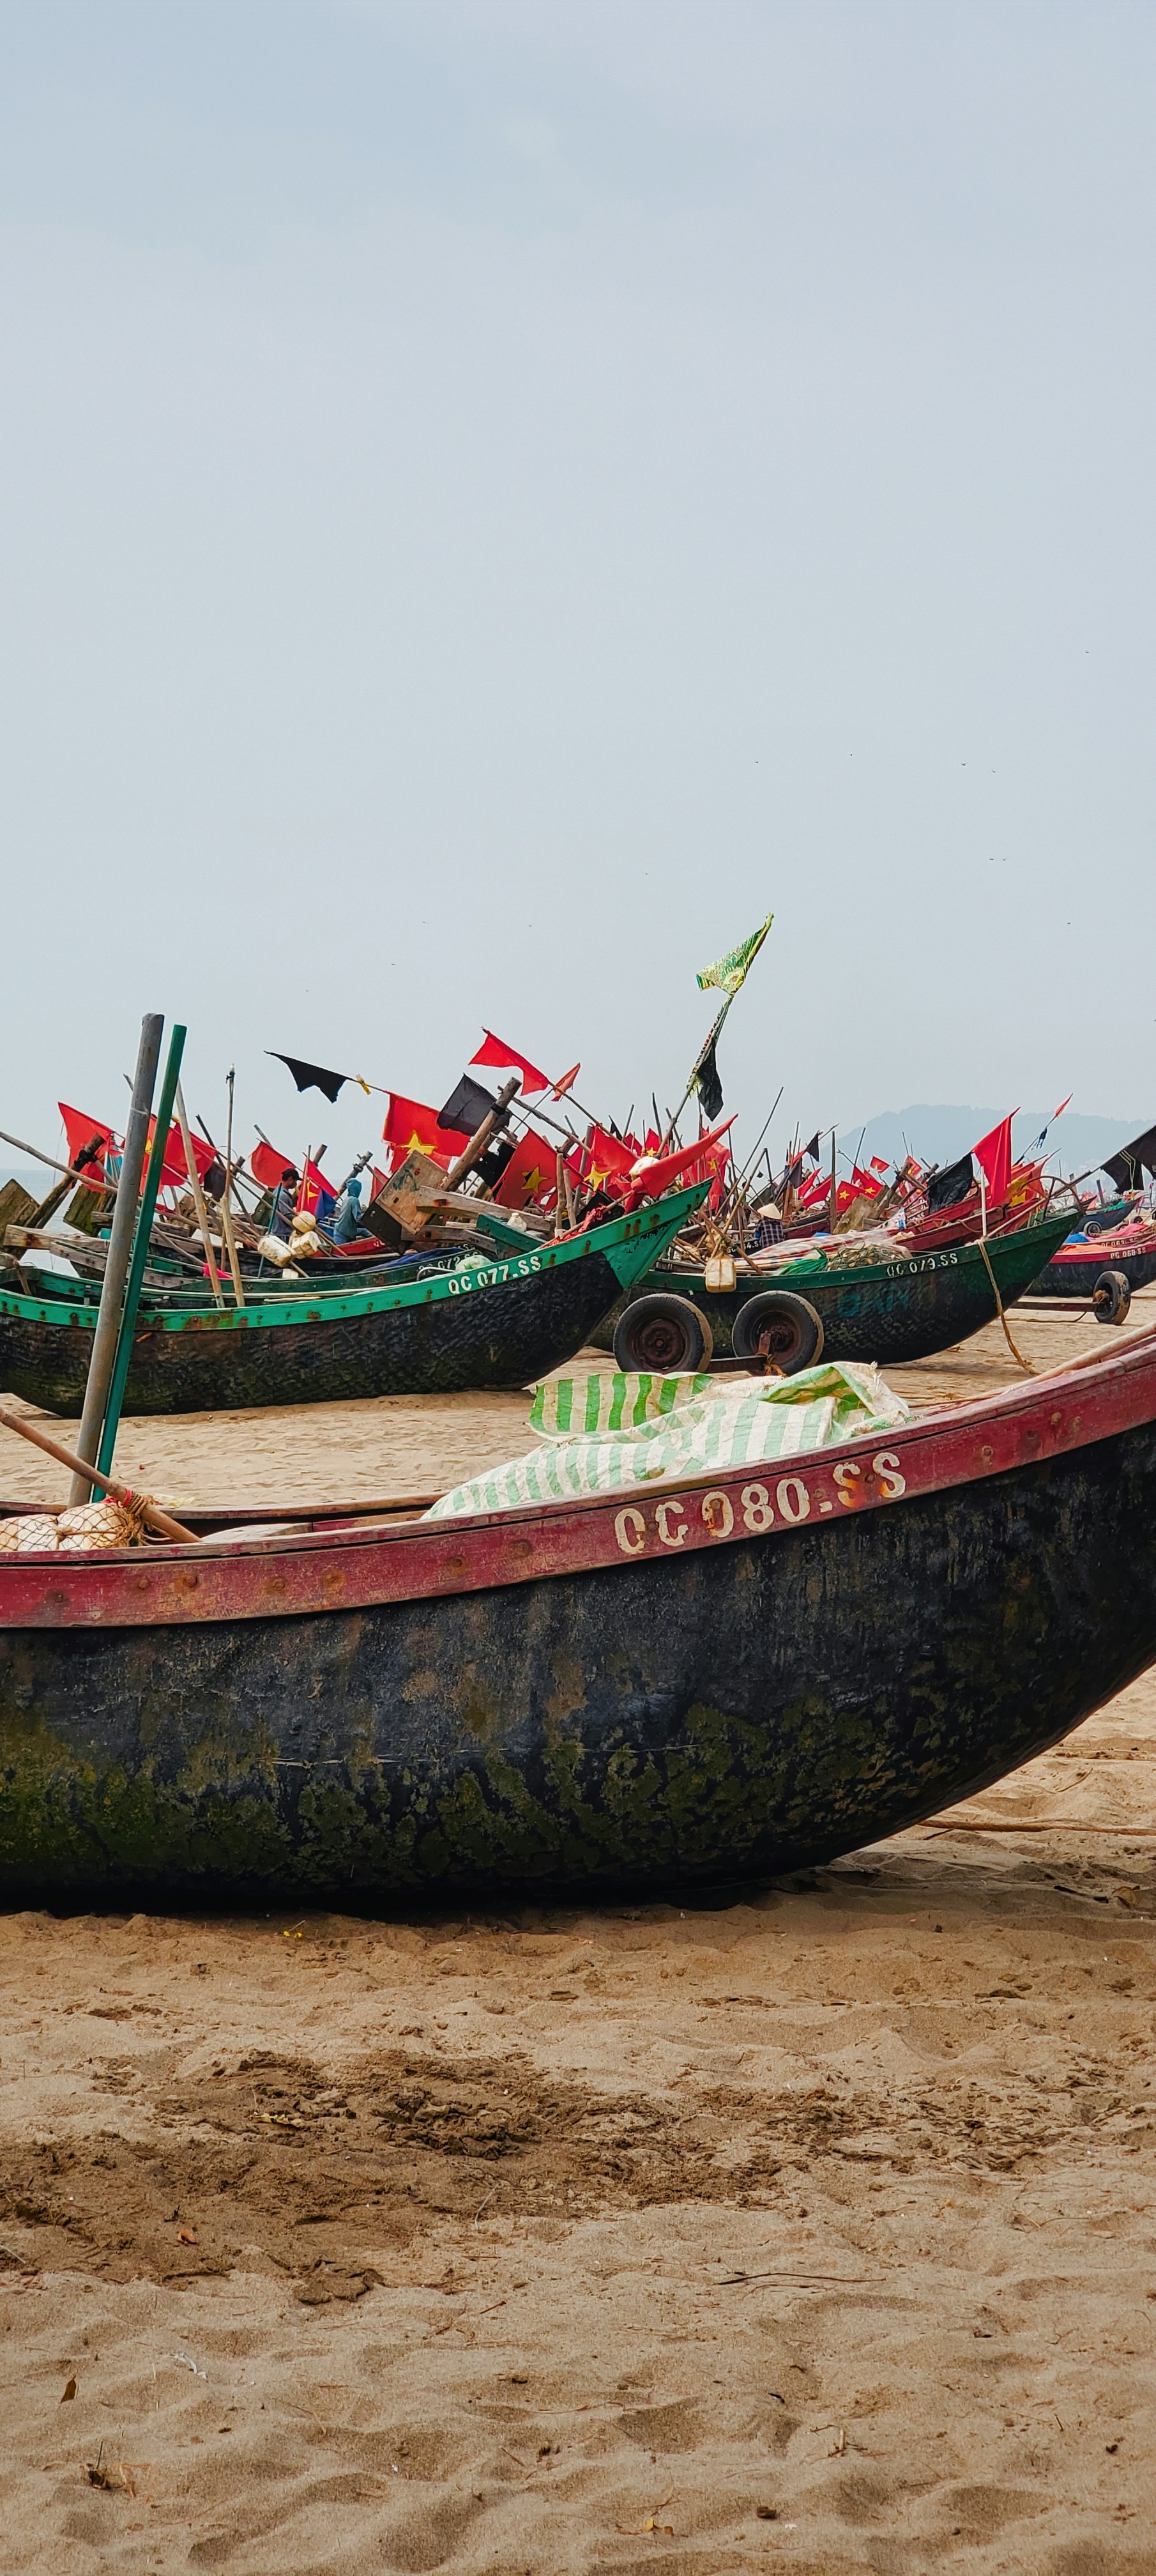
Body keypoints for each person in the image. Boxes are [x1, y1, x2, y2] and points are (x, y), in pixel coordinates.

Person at [331, 1170, 365, 1243]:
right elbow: (358, 1218)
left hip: (340, 1231)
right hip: (345, 1233)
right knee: (367, 1232)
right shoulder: (354, 1200)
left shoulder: (346, 1200)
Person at [269, 1167, 300, 1243]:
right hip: (282, 1232)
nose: (296, 1184)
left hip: (277, 1230)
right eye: (295, 1181)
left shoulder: (279, 1191)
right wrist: (299, 1218)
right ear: (290, 1179)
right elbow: (286, 1214)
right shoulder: (283, 1195)